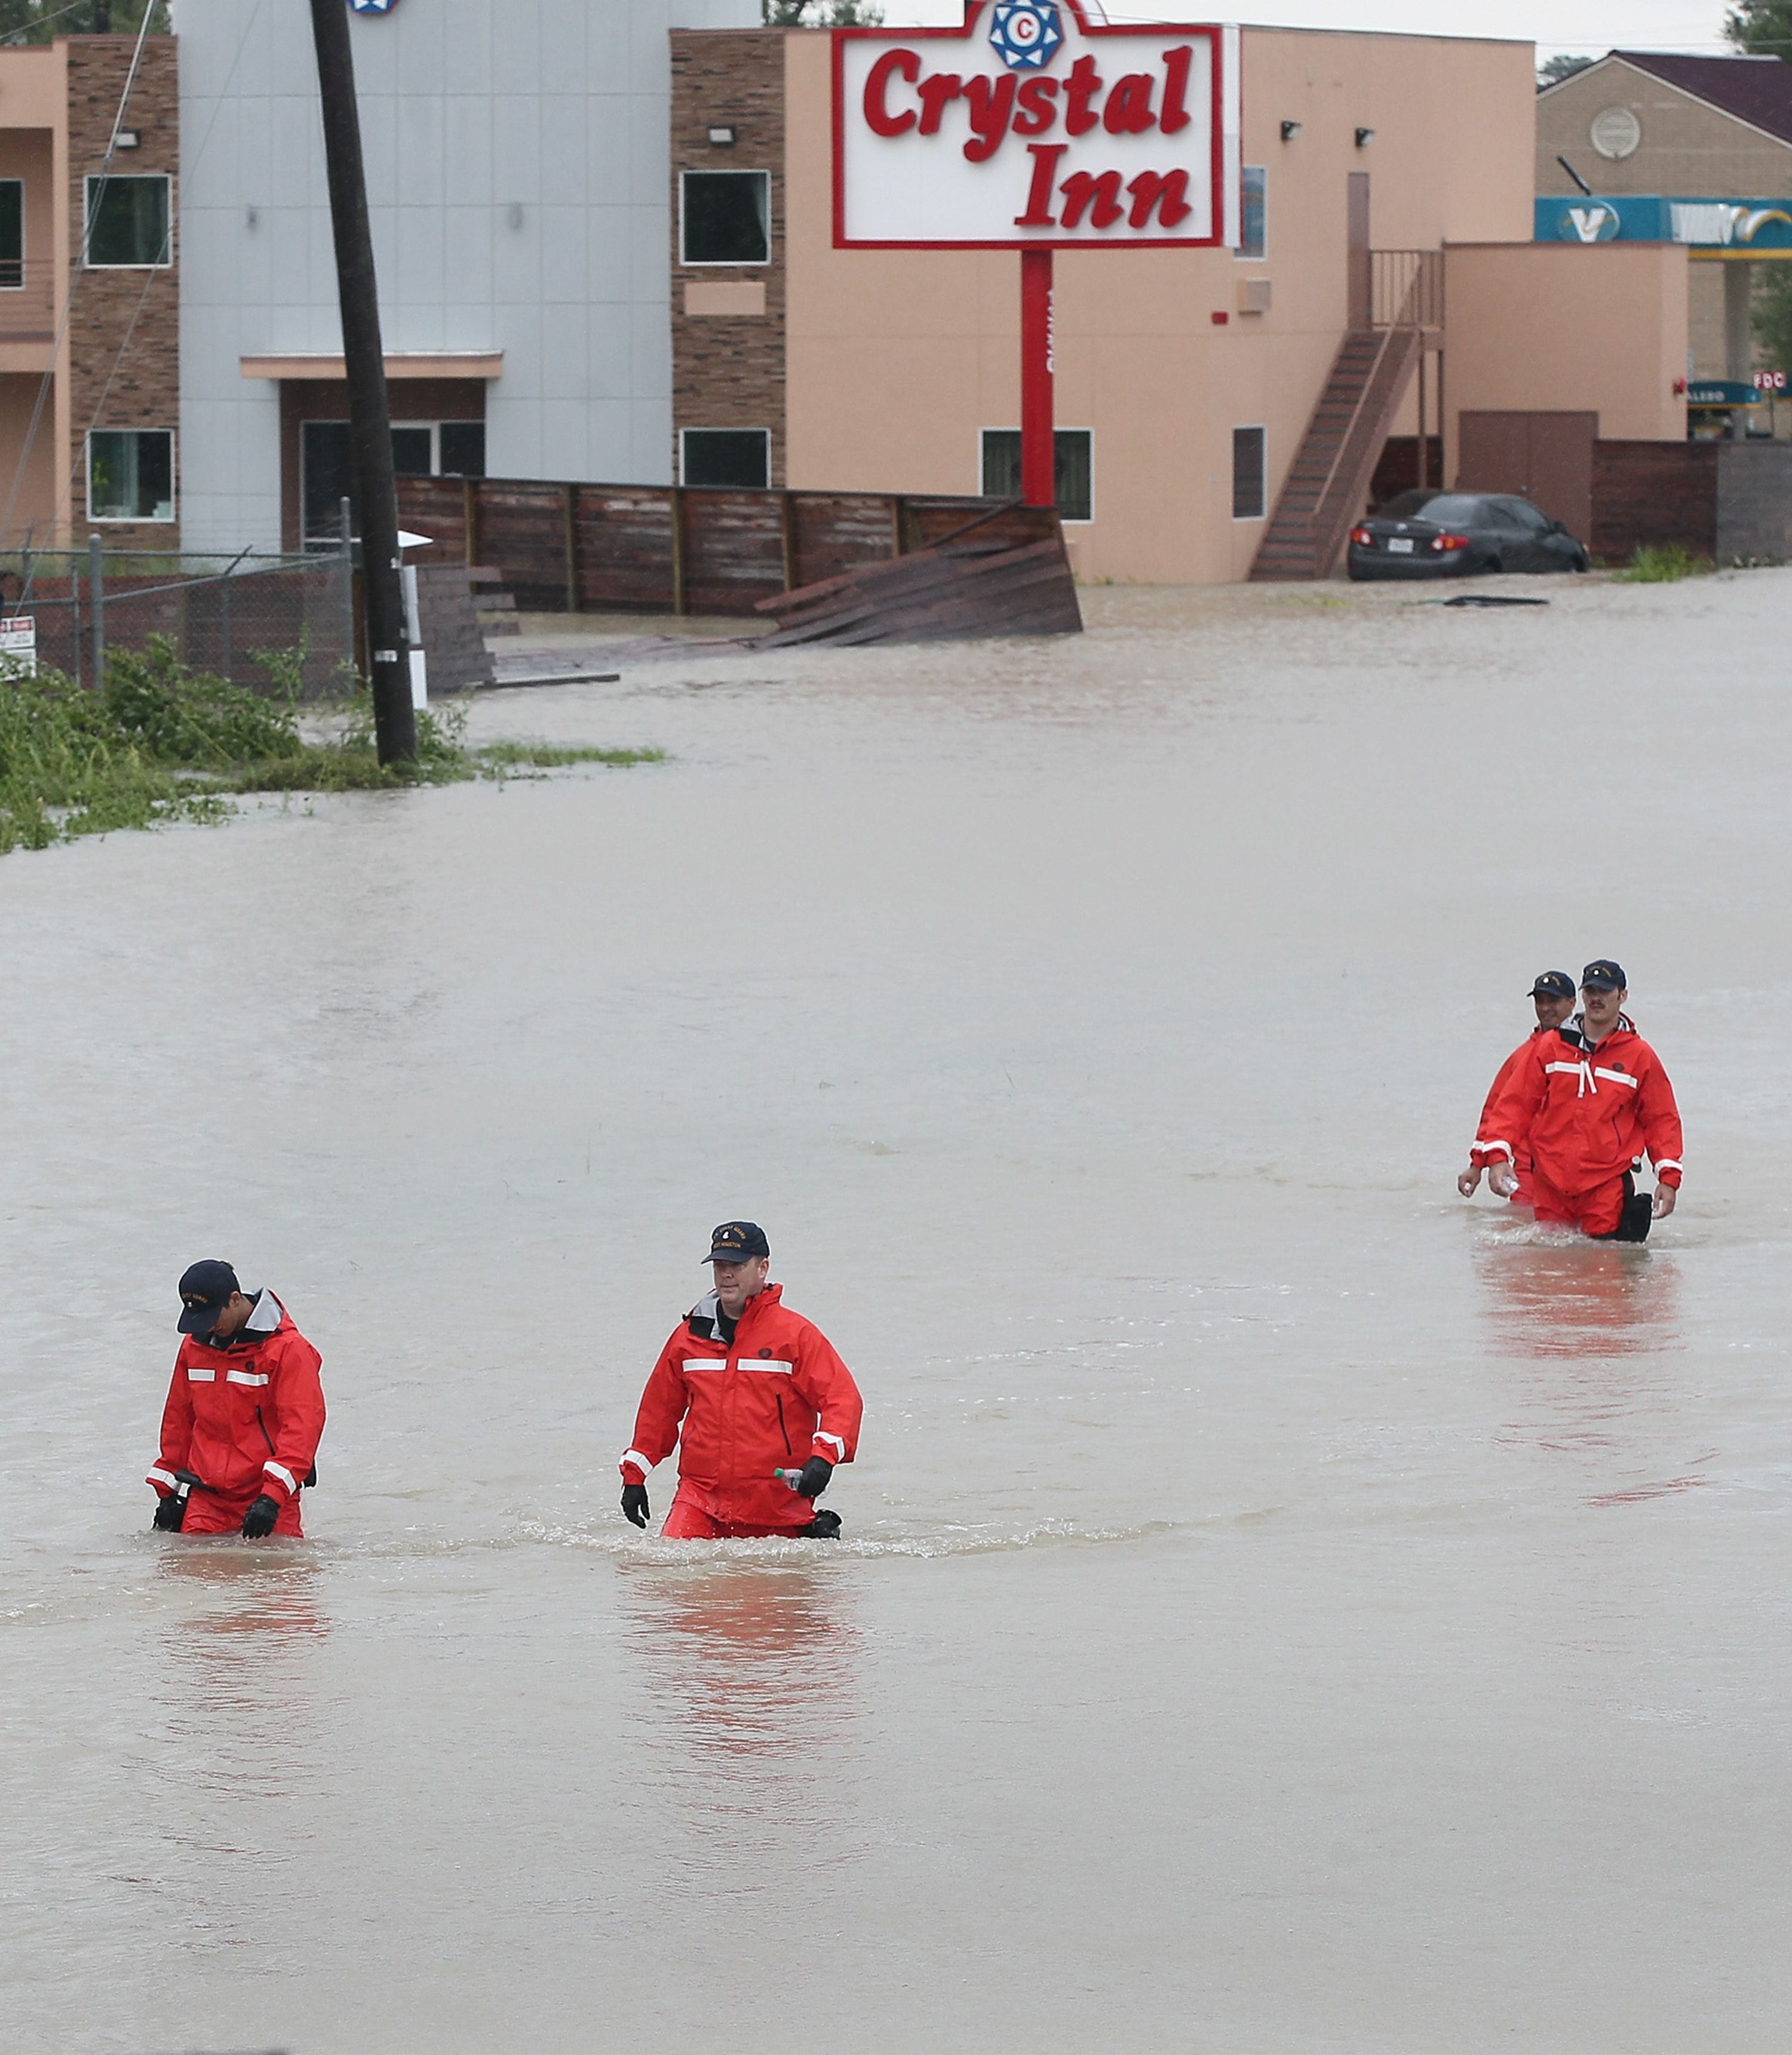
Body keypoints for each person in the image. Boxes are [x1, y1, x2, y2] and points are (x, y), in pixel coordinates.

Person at [621, 1221, 863, 1540]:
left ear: (763, 1268)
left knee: (770, 1589)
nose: (726, 1274)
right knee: (665, 1575)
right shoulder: (687, 1338)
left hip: (777, 1506)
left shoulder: (796, 1336)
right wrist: (635, 1474)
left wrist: (823, 1459)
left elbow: (843, 1400)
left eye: (736, 1265)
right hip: (700, 1501)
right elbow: (659, 1412)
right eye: (719, 1265)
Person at [1466, 960, 1683, 1240]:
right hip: (1549, 1184)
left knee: (1602, 1274)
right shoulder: (1552, 1046)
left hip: (1605, 1185)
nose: (1596, 998)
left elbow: (1661, 1119)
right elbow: (1514, 1104)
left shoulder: (1640, 1056)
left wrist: (1668, 1178)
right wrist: (1496, 1158)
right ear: (1581, 996)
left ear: (1623, 995)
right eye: (1591, 991)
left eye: (1605, 991)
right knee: (1552, 1274)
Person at [145, 1261, 326, 1538]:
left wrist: (272, 1498)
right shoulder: (194, 1347)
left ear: (235, 1299)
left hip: (269, 1500)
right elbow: (178, 1419)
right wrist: (167, 1492)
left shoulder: (289, 1350)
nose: (209, 1327)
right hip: (206, 1501)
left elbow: (302, 1429)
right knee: (183, 1579)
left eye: (213, 1316)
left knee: (277, 1579)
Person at [1458, 970, 1578, 1205]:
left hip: (1580, 1172)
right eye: (1540, 1001)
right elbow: (1496, 1110)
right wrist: (1477, 1166)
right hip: (1529, 1170)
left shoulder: (1589, 1054)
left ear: (1572, 1003)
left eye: (1553, 1001)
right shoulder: (1522, 1057)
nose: (1545, 1008)